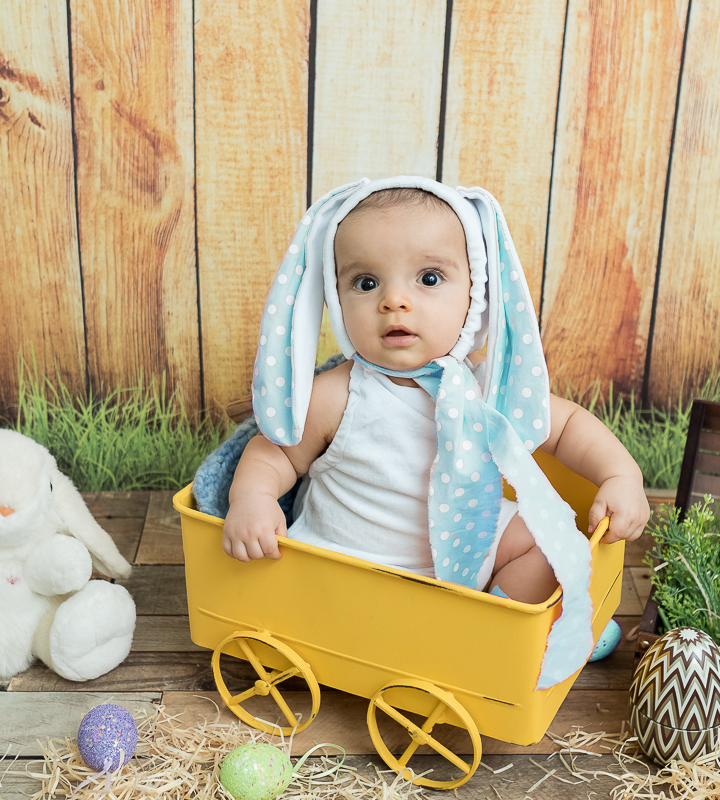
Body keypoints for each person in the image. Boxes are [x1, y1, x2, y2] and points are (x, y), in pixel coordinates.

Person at [223, 178, 649, 608]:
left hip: (472, 540)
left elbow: (568, 425)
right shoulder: (339, 395)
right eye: (366, 283)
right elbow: (275, 453)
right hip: (351, 563)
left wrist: (620, 476)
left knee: (552, 546)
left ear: (473, 294)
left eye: (428, 278)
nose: (394, 300)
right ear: (335, 299)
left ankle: (498, 619)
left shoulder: (483, 387)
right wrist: (253, 500)